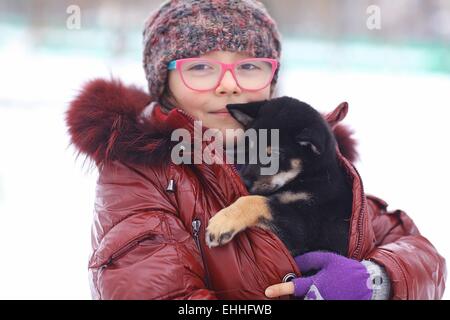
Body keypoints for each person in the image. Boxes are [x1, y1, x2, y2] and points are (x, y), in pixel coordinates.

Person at [66, 0, 446, 300]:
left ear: (271, 80)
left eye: (249, 66)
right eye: (200, 68)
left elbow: (423, 258)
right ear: (164, 86)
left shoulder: (311, 157)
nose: (229, 86)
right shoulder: (141, 177)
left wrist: (376, 280)